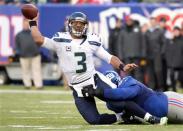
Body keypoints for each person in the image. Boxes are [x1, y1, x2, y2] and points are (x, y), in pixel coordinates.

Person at [27, 11, 139, 124]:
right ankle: (121, 117)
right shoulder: (60, 39)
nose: (78, 26)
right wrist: (32, 21)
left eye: (81, 24)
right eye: (76, 23)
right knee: (94, 120)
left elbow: (109, 57)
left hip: (94, 81)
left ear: (86, 26)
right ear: (69, 24)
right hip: (77, 88)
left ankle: (143, 114)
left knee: (118, 102)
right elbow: (38, 39)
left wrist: (123, 67)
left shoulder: (91, 40)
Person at [83, 70, 183, 124]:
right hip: (164, 113)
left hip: (169, 103)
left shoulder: (127, 82)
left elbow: (125, 94)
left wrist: (102, 92)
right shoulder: (111, 102)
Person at [15, 18, 43, 89]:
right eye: (24, 23)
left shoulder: (34, 33)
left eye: (27, 23)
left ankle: (38, 85)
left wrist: (37, 50)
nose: (26, 24)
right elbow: (17, 45)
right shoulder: (19, 35)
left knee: (37, 70)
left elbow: (40, 42)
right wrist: (20, 52)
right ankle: (27, 85)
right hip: (24, 56)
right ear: (22, 24)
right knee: (25, 71)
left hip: (35, 55)